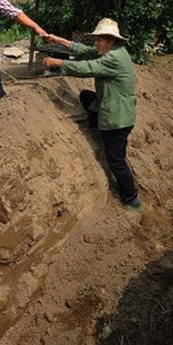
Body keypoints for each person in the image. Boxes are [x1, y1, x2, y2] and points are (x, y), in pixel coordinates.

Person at [42, 18, 141, 209]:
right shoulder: (114, 51)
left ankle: (132, 198)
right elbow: (85, 51)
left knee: (116, 161)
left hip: (117, 118)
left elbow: (87, 68)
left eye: (98, 39)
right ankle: (96, 126)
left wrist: (58, 63)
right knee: (87, 96)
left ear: (110, 40)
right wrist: (58, 40)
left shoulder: (113, 58)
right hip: (115, 106)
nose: (95, 43)